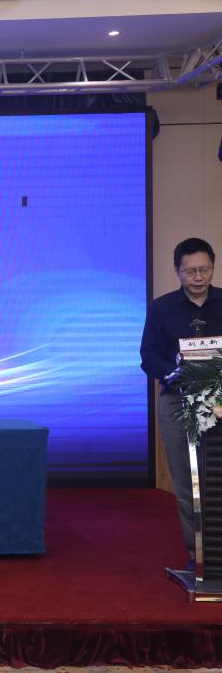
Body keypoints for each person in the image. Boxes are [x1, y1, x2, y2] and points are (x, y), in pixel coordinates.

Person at [140, 237, 222, 566]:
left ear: (213, 268)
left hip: (219, 401)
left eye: (205, 269)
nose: (199, 277)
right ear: (178, 271)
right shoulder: (161, 308)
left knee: (216, 478)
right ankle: (198, 554)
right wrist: (176, 372)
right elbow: (148, 357)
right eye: (191, 271)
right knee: (189, 481)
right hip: (178, 400)